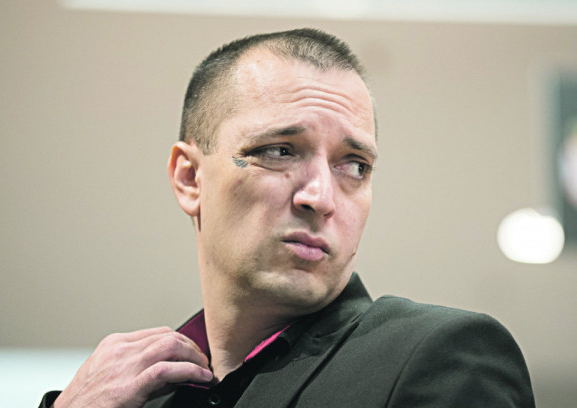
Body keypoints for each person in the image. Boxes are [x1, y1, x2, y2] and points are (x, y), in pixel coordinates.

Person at [39, 28, 535, 408]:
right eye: (280, 150)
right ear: (190, 177)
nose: (321, 197)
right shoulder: (131, 396)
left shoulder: (441, 355)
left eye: (354, 165)